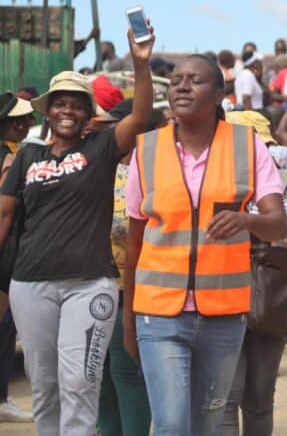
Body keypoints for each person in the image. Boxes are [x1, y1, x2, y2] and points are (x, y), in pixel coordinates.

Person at [0, 22, 155, 435]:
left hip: (89, 286)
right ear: (47, 111)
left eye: (76, 105)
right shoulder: (27, 158)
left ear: (88, 115)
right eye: (59, 104)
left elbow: (140, 116)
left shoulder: (101, 149)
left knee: (80, 384)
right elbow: (5, 218)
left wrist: (141, 65)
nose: (67, 110)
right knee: (45, 388)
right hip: (30, 285)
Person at [122, 53, 287, 435]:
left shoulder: (248, 145)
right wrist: (129, 321)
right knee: (172, 425)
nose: (181, 86)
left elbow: (277, 225)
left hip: (224, 316)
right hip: (159, 315)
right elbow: (134, 246)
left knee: (208, 425)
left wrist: (247, 220)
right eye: (176, 79)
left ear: (219, 94)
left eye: (194, 80)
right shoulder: (145, 150)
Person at [221, 111, 287, 436]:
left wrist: (242, 217)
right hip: (224, 294)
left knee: (259, 396)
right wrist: (261, 218)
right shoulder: (215, 175)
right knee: (227, 397)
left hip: (271, 295)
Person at [88, 100, 166, 436]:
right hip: (91, 290)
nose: (109, 131)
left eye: (115, 126)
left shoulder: (156, 173)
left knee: (127, 375)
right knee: (99, 377)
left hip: (132, 292)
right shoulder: (99, 168)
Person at [0, 93, 35, 424]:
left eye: (26, 120)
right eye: (16, 120)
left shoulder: (16, 153)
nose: (24, 125)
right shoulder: (9, 157)